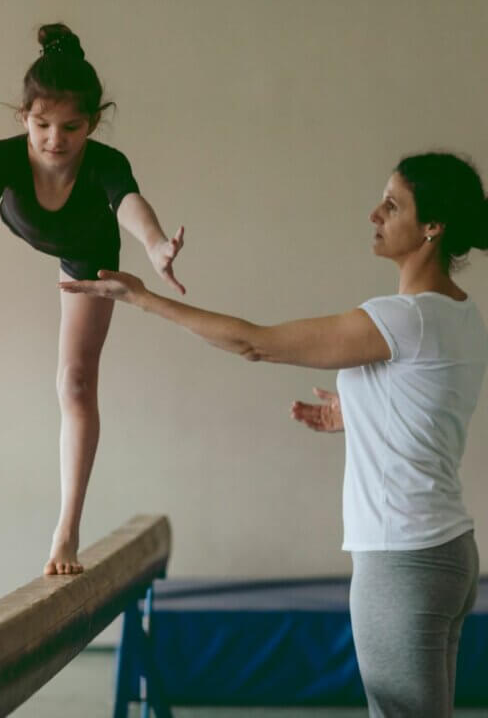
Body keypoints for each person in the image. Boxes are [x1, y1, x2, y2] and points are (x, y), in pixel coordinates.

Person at [61, 152, 488, 717]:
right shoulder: (461, 315)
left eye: (392, 204)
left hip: (401, 560)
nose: (374, 214)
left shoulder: (400, 320)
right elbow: (429, 410)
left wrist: (141, 298)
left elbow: (253, 343)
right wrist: (357, 412)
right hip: (451, 555)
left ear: (432, 226)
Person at [0, 23, 185, 576]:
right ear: (23, 118)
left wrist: (155, 245)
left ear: (94, 122)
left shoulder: (106, 163)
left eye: (71, 126)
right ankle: (65, 530)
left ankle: (66, 531)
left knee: (76, 381)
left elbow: (129, 202)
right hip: (26, 225)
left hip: (88, 253)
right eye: (41, 124)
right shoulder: (6, 156)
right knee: (69, 380)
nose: (55, 139)